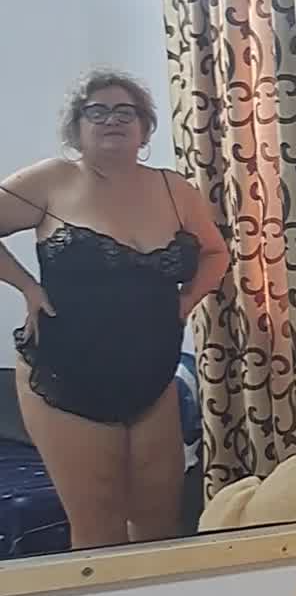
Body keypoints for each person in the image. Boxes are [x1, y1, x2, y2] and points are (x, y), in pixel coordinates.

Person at [0, 70, 228, 549]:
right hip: (66, 375)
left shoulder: (173, 189)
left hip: (152, 377)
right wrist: (27, 286)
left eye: (126, 111)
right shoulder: (52, 180)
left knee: (160, 521)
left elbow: (215, 253)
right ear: (77, 127)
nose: (112, 120)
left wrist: (187, 301)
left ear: (144, 128)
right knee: (98, 527)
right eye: (97, 111)